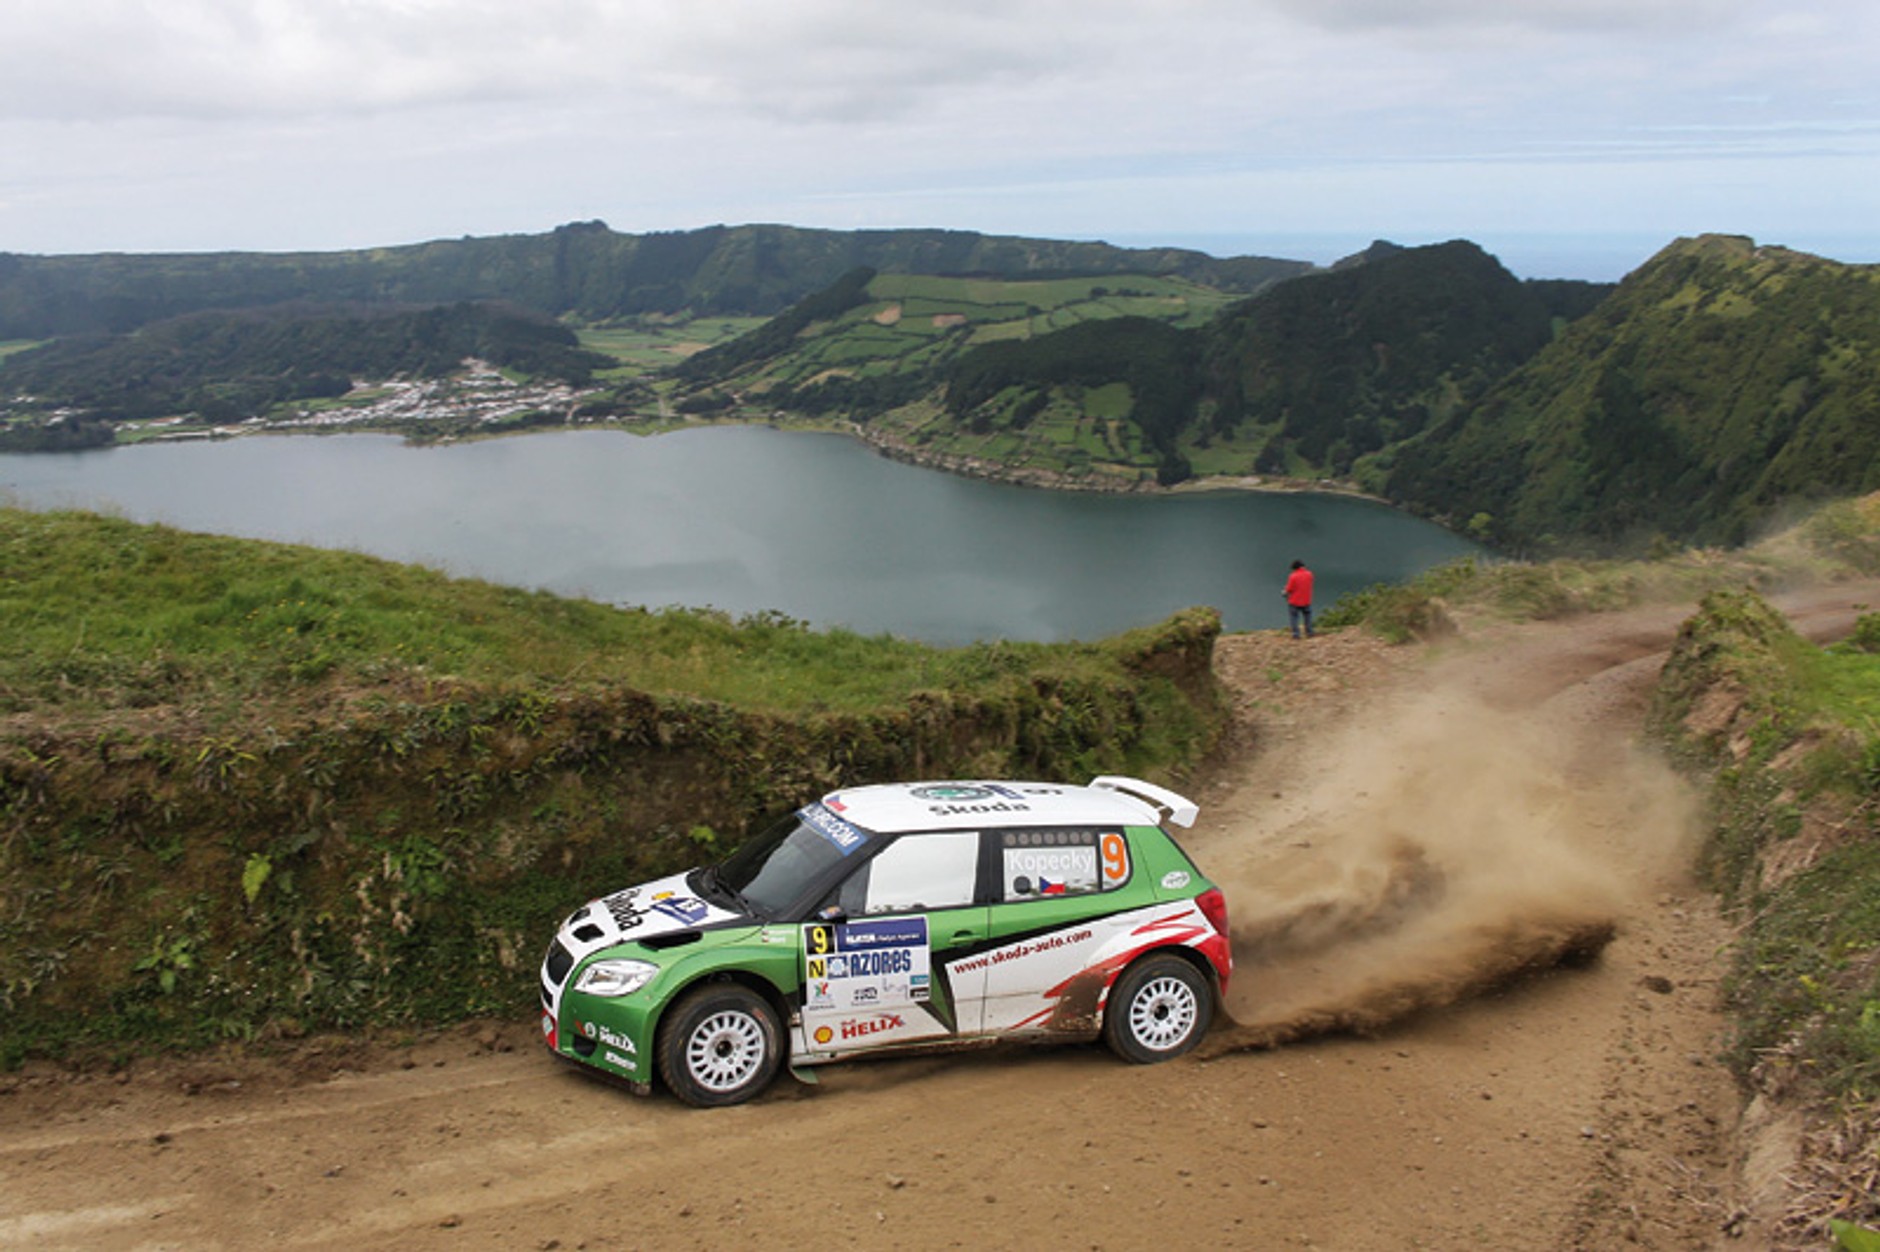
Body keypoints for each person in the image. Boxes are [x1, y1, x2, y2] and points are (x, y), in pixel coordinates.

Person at [1283, 559, 1315, 638]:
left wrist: (1284, 591)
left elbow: (1289, 589)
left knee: (1294, 617)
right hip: (1306, 600)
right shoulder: (1310, 574)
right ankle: (1309, 632)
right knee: (1308, 616)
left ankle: (1296, 633)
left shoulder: (1293, 576)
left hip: (1295, 601)